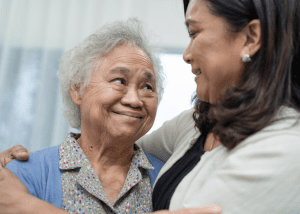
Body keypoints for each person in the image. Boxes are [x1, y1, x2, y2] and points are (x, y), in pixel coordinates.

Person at [1, 0, 300, 213]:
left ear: (250, 38)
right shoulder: (22, 173)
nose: (134, 100)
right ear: (78, 89)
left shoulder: (164, 174)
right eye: (119, 80)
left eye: (147, 86)